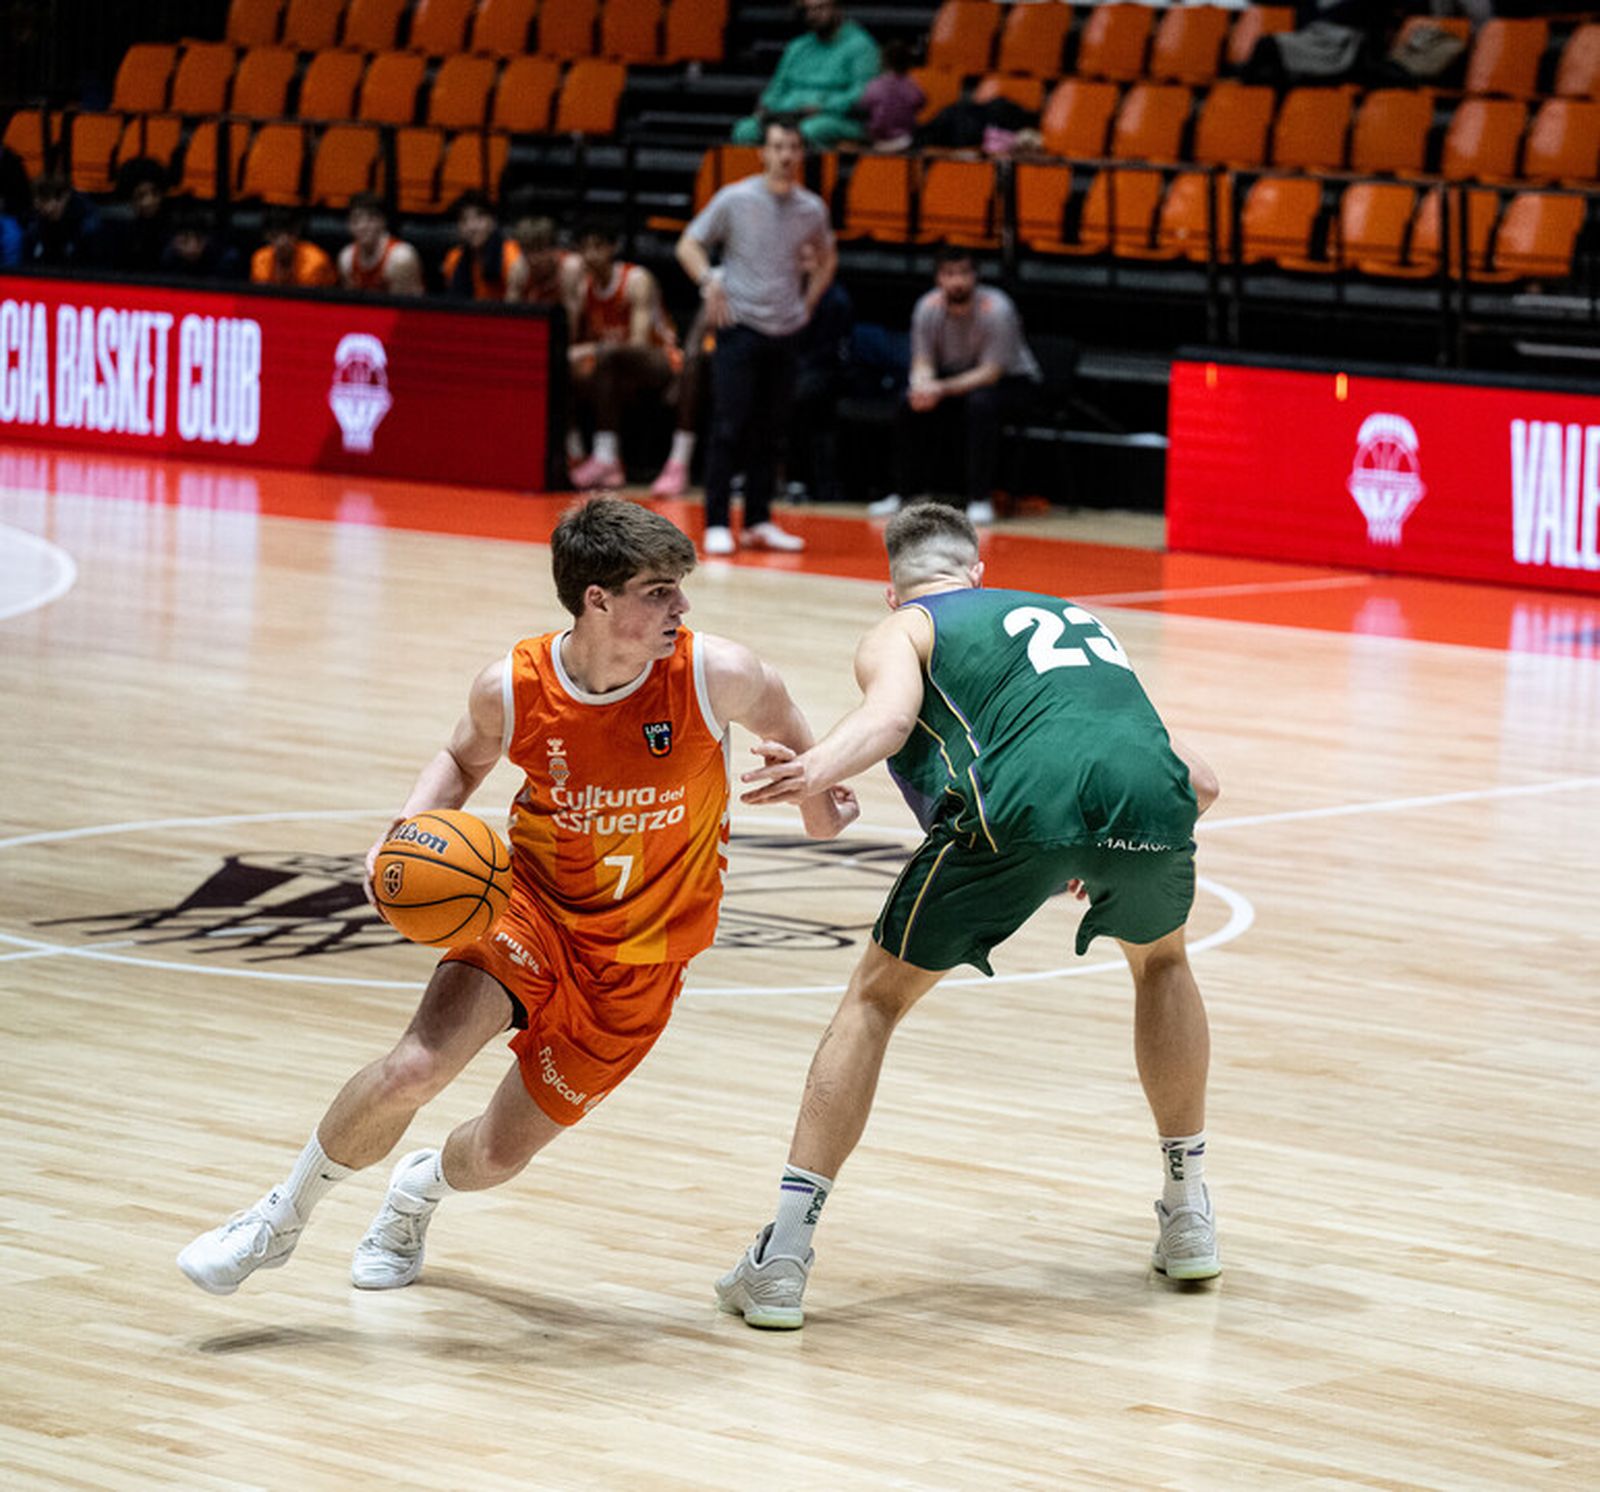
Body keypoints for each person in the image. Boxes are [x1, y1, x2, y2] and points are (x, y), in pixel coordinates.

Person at [177, 497, 858, 1298]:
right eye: (659, 591)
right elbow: (461, 761)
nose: (682, 606)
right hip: (531, 909)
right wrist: (406, 831)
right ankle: (277, 1218)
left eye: (679, 589)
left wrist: (819, 801)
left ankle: (416, 1191)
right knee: (415, 1067)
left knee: (497, 1156)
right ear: (596, 600)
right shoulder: (514, 687)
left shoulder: (719, 674)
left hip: (642, 961)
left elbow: (798, 742)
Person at [716, 501, 1222, 1329]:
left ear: (894, 591)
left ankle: (783, 1260)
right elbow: (1200, 782)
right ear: (978, 572)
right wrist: (1101, 839)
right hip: (1149, 795)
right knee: (1162, 960)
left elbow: (884, 721)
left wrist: (812, 770)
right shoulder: (1075, 620)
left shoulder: (904, 628)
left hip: (1023, 807)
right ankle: (1190, 1210)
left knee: (875, 1001)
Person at [676, 117, 837, 555]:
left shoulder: (811, 209)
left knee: (771, 429)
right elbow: (689, 243)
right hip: (740, 325)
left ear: (801, 155)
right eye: (778, 146)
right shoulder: (736, 198)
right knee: (729, 425)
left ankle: (759, 520)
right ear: (763, 152)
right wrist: (710, 281)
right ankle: (715, 520)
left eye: (793, 148)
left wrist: (808, 302)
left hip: (785, 328)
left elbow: (826, 256)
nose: (786, 155)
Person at [868, 245, 1042, 528]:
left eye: (963, 273)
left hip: (1011, 381)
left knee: (981, 404)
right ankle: (905, 492)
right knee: (908, 402)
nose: (957, 281)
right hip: (953, 377)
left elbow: (991, 373)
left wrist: (941, 389)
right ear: (939, 278)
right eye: (949, 274)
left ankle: (979, 498)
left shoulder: (997, 309)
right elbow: (922, 359)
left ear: (976, 276)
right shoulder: (927, 307)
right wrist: (922, 385)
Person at [565, 218, 682, 490]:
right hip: (612, 368)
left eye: (598, 247)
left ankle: (605, 458)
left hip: (661, 359)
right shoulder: (583, 287)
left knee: (609, 355)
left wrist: (586, 350)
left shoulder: (636, 279)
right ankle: (577, 454)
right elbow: (570, 339)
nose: (591, 255)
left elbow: (638, 345)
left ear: (613, 248)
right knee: (563, 369)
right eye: (584, 248)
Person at [732, 0, 879, 149]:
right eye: (808, 10)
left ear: (837, 8)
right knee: (746, 130)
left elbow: (863, 93)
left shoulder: (861, 46)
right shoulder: (798, 47)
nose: (813, 15)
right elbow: (777, 87)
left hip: (835, 118)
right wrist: (766, 105)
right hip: (787, 115)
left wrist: (823, 107)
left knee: (808, 131)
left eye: (821, 8)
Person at [442, 190, 529, 303]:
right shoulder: (453, 260)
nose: (472, 227)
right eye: (464, 220)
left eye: (479, 218)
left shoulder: (511, 256)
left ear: (492, 221)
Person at [338, 193, 424, 295]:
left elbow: (404, 306)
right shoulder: (346, 258)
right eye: (356, 221)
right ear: (349, 226)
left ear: (383, 222)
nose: (363, 227)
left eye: (371, 220)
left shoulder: (401, 258)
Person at [505, 195, 581, 307]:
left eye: (540, 250)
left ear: (554, 249)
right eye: (528, 251)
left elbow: (573, 322)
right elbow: (509, 318)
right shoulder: (519, 269)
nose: (534, 259)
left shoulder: (570, 268)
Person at [101, 157, 170, 275]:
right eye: (141, 195)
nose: (149, 201)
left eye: (155, 193)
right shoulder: (116, 230)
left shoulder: (169, 227)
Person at [22, 174, 100, 268]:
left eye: (44, 199)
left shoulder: (87, 226)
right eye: (36, 200)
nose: (38, 206)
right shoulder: (36, 223)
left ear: (63, 198)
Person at [859, 38, 924, 151]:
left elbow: (863, 105)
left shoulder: (874, 85)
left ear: (883, 61)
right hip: (904, 140)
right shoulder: (912, 86)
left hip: (878, 139)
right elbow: (921, 102)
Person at [250, 206, 337, 288]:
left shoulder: (316, 262)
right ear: (267, 236)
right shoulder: (259, 260)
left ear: (297, 232)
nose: (283, 240)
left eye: (289, 233)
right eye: (276, 234)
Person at [160, 199, 241, 280]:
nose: (192, 247)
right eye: (184, 241)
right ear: (173, 241)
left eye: (199, 239)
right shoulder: (167, 258)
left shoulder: (223, 259)